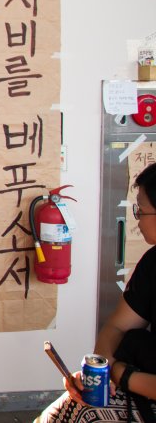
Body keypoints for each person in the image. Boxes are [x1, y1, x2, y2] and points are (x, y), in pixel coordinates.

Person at [38, 162, 156, 422]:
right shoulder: (152, 263)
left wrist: (122, 375)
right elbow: (117, 327)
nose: (137, 218)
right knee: (75, 407)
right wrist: (98, 376)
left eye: (141, 210)